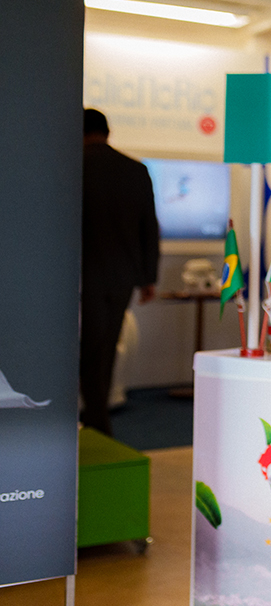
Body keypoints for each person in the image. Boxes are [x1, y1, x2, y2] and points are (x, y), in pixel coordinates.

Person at [80, 108, 160, 435]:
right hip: (123, 275)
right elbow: (149, 226)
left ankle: (96, 420)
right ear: (108, 132)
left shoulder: (73, 165)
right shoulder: (136, 170)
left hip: (82, 275)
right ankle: (97, 419)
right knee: (106, 347)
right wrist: (149, 277)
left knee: (88, 349)